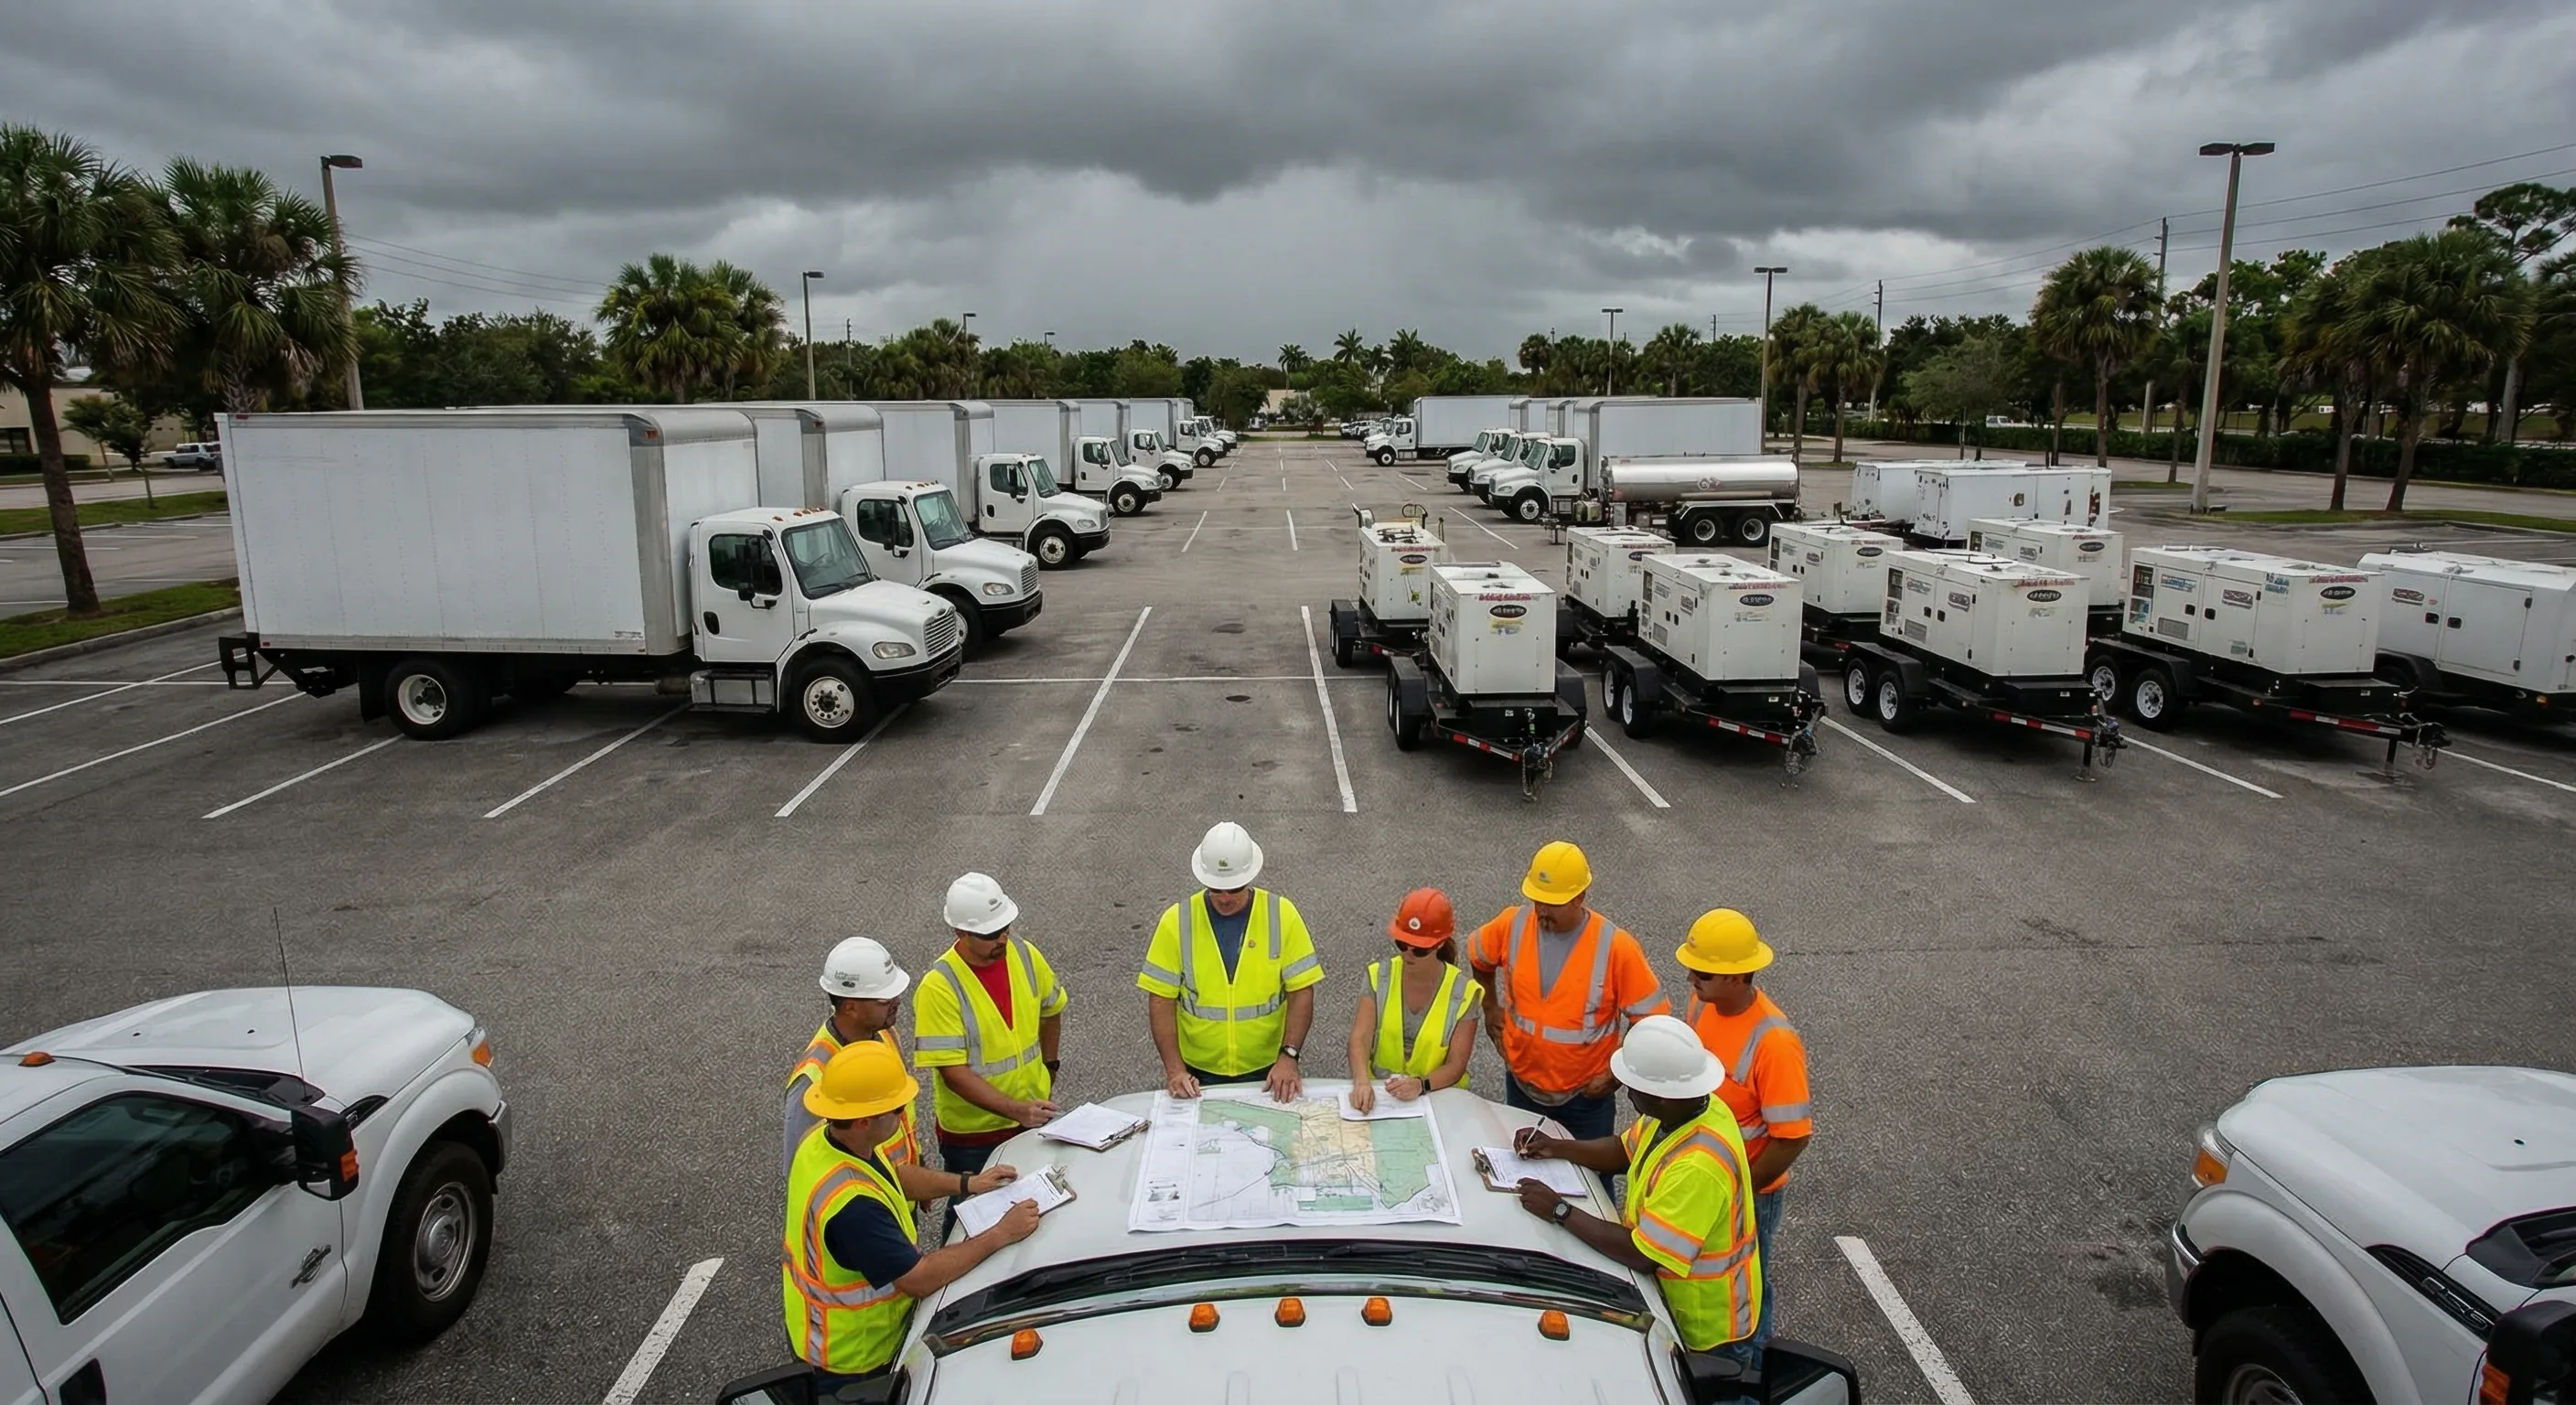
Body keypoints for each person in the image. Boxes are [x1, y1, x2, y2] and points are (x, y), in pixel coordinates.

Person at [785, 1039, 1043, 1393]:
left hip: (831, 1341)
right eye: (896, 1108)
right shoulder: (854, 1209)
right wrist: (1001, 1233)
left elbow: (894, 1175)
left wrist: (969, 1183)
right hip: (858, 1360)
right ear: (862, 1121)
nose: (905, 1111)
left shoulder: (824, 1141)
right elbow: (919, 1278)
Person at [1508, 1014, 1763, 1360]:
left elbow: (1641, 1255)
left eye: (1634, 1086)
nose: (1627, 1093)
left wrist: (1559, 1210)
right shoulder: (1690, 1106)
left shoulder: (1699, 1167)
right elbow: (1624, 1150)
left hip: (1705, 1332)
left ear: (1661, 1095)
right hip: (1676, 1307)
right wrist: (1555, 1146)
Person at [788, 938, 1014, 1204]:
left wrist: (917, 1162)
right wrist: (967, 1184)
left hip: (898, 1198)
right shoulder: (814, 1077)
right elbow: (805, 1169)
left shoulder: (884, 1035)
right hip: (865, 1211)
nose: (897, 1001)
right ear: (850, 1006)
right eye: (885, 999)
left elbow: (899, 1119)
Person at [1676, 907, 1811, 1353]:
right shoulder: (1703, 1003)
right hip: (1705, 1177)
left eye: (1703, 974)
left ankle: (1750, 1371)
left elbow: (1792, 1136)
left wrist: (1741, 1189)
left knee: (1747, 1291)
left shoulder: (1774, 1043)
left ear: (1737, 977)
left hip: (1749, 1190)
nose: (1691, 980)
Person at [1470, 841, 1669, 1142]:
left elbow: (1653, 1019)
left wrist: (1615, 1074)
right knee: (1524, 1172)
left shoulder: (1615, 947)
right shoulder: (1513, 924)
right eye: (1537, 900)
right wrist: (1489, 1008)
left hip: (1584, 1101)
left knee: (1591, 1181)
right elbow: (1479, 957)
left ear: (1580, 897)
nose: (1542, 911)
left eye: (1553, 903)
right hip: (1522, 1085)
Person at [1138, 820, 1324, 1102]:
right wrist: (1175, 1070)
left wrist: (1289, 1056)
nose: (1225, 898)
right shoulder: (1176, 922)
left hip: (1269, 1070)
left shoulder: (1282, 915)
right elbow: (1160, 1001)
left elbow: (1302, 992)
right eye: (1216, 888)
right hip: (1197, 1074)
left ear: (1250, 876)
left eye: (1234, 888)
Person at [913, 873, 1068, 1183]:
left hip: (1030, 1116)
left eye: (1005, 928)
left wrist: (1049, 1068)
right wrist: (1015, 1109)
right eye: (990, 933)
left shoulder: (1024, 954)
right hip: (974, 1135)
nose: (1002, 939)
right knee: (970, 1214)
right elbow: (952, 1073)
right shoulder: (939, 987)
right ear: (960, 931)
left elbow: (1052, 1010)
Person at [1347, 888, 1481, 1114]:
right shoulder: (1378, 976)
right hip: (1381, 1099)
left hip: (1438, 1100)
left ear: (1439, 944)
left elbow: (1456, 1065)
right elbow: (1360, 1038)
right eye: (1401, 944)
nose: (1408, 954)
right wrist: (1361, 1081)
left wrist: (1421, 1085)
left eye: (1419, 950)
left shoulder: (1464, 992)